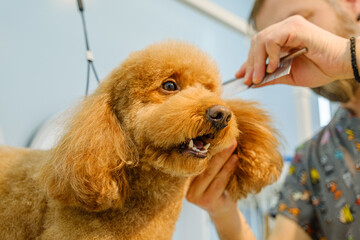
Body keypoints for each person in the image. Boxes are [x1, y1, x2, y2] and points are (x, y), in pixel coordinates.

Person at [186, 0, 360, 239]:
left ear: (352, 4)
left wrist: (347, 56)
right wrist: (222, 212)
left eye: (301, 22)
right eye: (279, 46)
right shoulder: (311, 161)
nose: (291, 52)